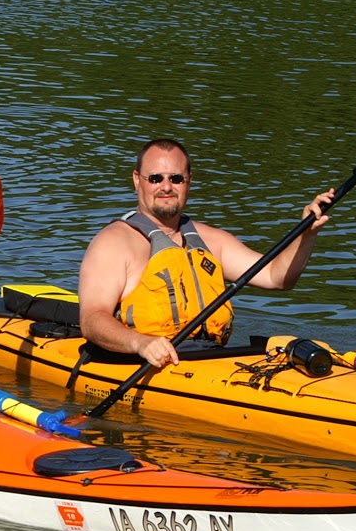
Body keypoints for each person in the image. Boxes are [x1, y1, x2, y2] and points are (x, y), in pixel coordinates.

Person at [77, 138, 334, 369]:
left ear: (189, 180)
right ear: (137, 180)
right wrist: (141, 343)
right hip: (141, 362)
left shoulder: (212, 241)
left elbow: (277, 277)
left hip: (211, 360)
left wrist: (306, 233)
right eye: (155, 178)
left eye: (176, 178)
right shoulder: (114, 242)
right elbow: (92, 320)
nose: (166, 187)